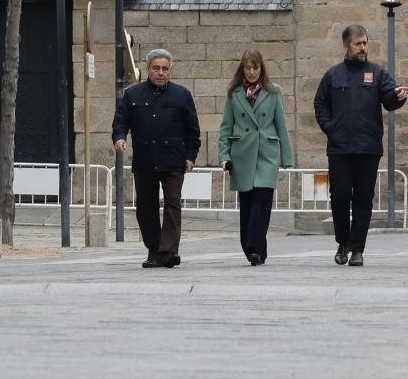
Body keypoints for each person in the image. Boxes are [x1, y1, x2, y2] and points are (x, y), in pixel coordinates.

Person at [314, 25, 408, 267]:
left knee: (364, 199)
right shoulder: (333, 75)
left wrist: (398, 96)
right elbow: (320, 104)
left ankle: (357, 249)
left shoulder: (377, 73)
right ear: (347, 46)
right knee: (341, 196)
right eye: (358, 44)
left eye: (365, 43)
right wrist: (330, 128)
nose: (363, 48)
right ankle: (342, 242)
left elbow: (389, 99)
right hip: (339, 149)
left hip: (368, 148)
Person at [112, 49, 201, 268]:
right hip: (145, 159)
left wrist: (191, 156)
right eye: (156, 68)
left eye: (165, 69)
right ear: (148, 70)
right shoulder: (132, 95)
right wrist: (120, 138)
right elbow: (121, 121)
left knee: (172, 203)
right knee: (145, 206)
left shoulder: (182, 95)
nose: (160, 73)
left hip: (174, 160)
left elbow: (193, 130)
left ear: (171, 71)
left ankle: (168, 251)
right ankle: (154, 250)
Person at [218, 50, 294, 266]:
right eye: (247, 68)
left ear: (262, 69)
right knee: (248, 205)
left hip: (266, 153)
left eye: (255, 67)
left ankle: (252, 245)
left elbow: (281, 125)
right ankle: (255, 251)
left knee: (263, 201)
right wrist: (224, 155)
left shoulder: (273, 91)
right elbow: (226, 127)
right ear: (242, 69)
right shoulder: (234, 93)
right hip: (241, 154)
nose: (251, 72)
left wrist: (285, 157)